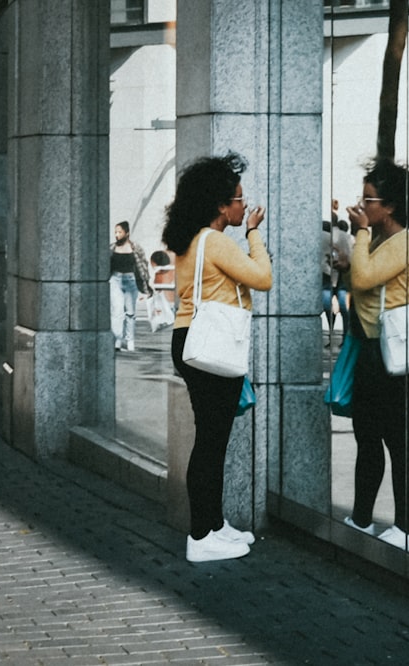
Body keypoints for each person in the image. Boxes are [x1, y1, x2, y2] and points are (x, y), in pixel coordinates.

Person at [162, 153, 273, 563]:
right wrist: (255, 235)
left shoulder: (191, 239)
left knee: (213, 440)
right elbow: (263, 278)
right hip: (209, 344)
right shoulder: (217, 241)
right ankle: (199, 536)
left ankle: (214, 525)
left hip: (189, 339)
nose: (245, 207)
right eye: (239, 200)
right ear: (221, 206)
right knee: (211, 444)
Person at [343, 158, 409, 555]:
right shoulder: (386, 241)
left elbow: (364, 277)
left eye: (370, 200)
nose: (362, 206)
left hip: (391, 352)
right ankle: (362, 518)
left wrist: (360, 235)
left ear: (390, 207)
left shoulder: (402, 241)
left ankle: (405, 528)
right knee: (367, 437)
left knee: (395, 439)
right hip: (372, 348)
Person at [109, 221, 154, 352]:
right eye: (115, 232)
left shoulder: (135, 248)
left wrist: (146, 284)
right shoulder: (111, 248)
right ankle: (117, 339)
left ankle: (130, 341)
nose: (117, 235)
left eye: (120, 232)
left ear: (127, 233)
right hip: (115, 280)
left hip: (130, 280)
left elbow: (143, 267)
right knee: (117, 311)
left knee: (130, 312)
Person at [321, 206, 353, 345]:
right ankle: (345, 335)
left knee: (327, 304)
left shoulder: (326, 236)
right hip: (342, 274)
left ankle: (330, 333)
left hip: (328, 273)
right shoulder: (347, 237)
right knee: (343, 306)